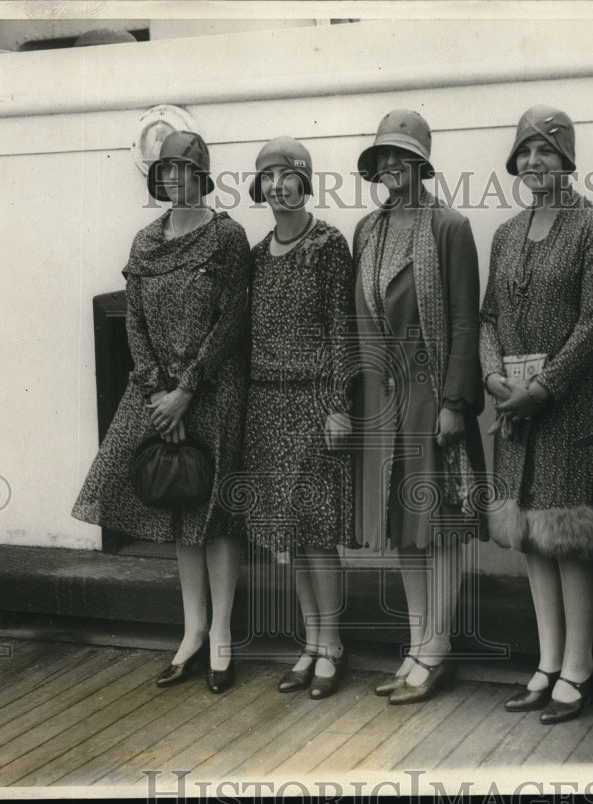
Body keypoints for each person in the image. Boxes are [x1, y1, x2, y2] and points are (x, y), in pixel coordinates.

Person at [73, 131, 251, 693]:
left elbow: (233, 320)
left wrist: (187, 390)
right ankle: (192, 632)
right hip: (157, 395)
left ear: (202, 175)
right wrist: (155, 390)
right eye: (166, 172)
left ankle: (222, 634)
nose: (174, 180)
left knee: (215, 514)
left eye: (184, 170)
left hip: (212, 392)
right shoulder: (146, 240)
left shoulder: (227, 236)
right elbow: (135, 321)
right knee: (179, 508)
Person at [480, 106, 593, 724]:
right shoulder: (506, 232)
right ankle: (547, 660)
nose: (535, 163)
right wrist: (493, 379)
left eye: (547, 152)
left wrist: (545, 387)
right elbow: (487, 318)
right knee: (531, 537)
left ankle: (579, 667)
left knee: (567, 538)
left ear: (568, 159)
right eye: (526, 153)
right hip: (514, 406)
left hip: (566, 406)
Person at [353, 109, 486, 705]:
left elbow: (464, 320)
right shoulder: (367, 230)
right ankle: (414, 645)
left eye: (401, 156)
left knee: (441, 525)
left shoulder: (450, 227)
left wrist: (456, 402)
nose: (391, 166)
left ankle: (438, 649)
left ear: (422, 163)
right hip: (388, 398)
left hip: (433, 395)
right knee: (404, 528)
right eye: (383, 156)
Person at [242, 136, 356, 699]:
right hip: (268, 404)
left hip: (313, 403)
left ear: (305, 181)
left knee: (318, 533)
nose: (278, 185)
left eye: (289, 175)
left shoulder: (328, 244)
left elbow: (342, 328)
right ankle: (308, 643)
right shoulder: (257, 255)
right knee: (289, 533)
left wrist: (338, 405)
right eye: (268, 176)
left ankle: (332, 645)